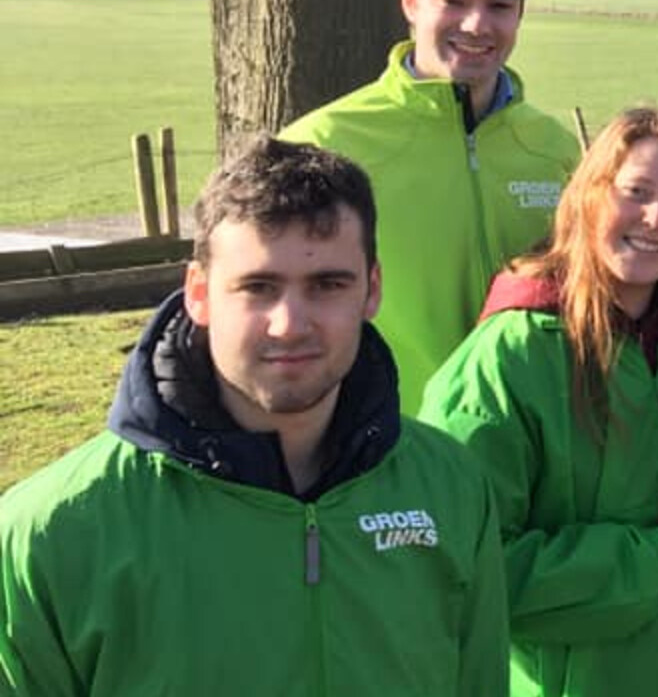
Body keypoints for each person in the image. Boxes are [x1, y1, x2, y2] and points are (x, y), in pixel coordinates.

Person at [0, 138, 508, 696]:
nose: (289, 323)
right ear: (198, 292)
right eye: (258, 288)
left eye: (327, 285)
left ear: (372, 289)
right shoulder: (52, 530)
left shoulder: (450, 487)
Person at [418, 106, 658, 697]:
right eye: (637, 192)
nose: (657, 218)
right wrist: (655, 557)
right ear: (589, 196)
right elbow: (461, 566)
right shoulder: (510, 356)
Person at [282, 0, 579, 413]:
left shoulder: (557, 150)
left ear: (520, 13)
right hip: (386, 452)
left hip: (524, 453)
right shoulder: (321, 145)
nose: (477, 24)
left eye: (501, 4)